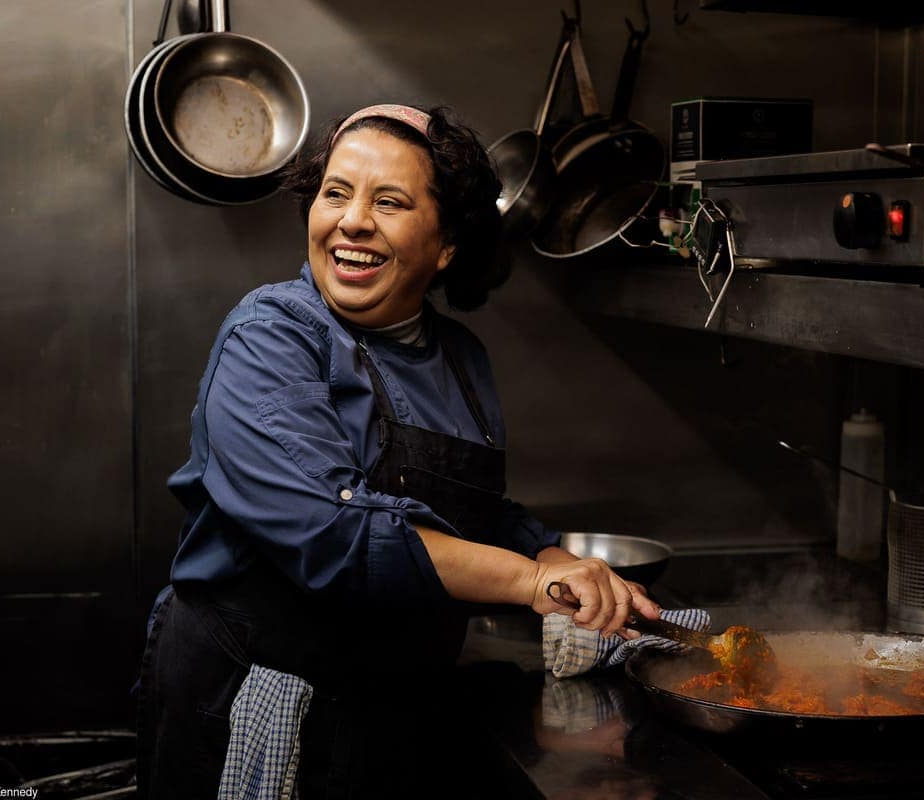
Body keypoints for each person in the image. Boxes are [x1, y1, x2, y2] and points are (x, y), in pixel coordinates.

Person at [135, 103, 661, 798]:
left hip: (393, 710)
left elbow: (468, 507)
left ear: (446, 246)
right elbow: (332, 533)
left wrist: (549, 551)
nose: (352, 221)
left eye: (389, 201)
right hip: (245, 698)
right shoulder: (270, 336)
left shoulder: (461, 358)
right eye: (335, 193)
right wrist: (532, 584)